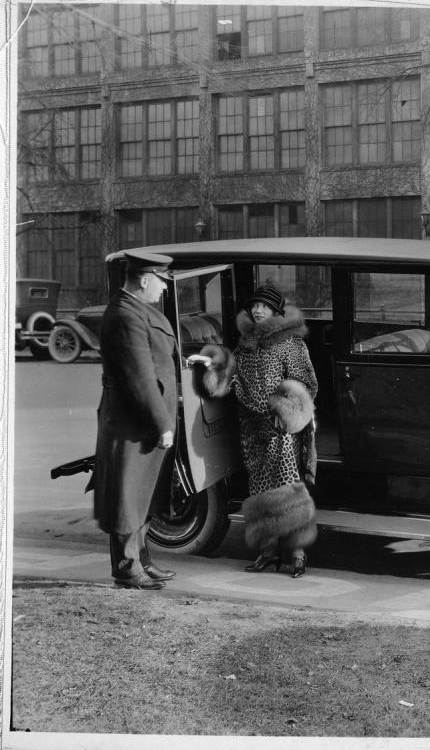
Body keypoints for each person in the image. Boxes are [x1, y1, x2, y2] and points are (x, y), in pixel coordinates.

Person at [194, 285, 319, 578]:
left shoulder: (291, 343)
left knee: (288, 489)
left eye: (263, 306)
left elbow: (307, 384)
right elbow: (231, 374)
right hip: (252, 427)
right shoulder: (246, 343)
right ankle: (268, 553)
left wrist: (285, 411)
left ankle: (298, 554)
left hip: (280, 429)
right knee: (260, 490)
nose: (257, 310)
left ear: (276, 311)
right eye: (254, 306)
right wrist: (211, 365)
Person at [94, 252, 178, 591]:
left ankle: (141, 560)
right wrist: (163, 424)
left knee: (142, 495)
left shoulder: (136, 310)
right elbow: (140, 378)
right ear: (144, 279)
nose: (163, 289)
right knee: (128, 496)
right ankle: (128, 569)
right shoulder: (126, 315)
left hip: (142, 421)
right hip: (135, 423)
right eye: (160, 281)